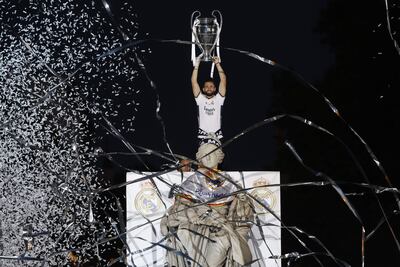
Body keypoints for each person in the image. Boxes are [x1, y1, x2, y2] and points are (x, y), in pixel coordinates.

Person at [161, 139, 254, 267]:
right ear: (200, 158)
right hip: (196, 225)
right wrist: (195, 214)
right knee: (184, 231)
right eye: (205, 154)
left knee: (221, 243)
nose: (208, 157)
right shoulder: (192, 181)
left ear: (219, 157)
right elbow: (181, 205)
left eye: (212, 153)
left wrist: (242, 200)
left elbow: (242, 211)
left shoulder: (230, 183)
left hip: (221, 229)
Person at [191, 56, 227, 142]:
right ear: (203, 89)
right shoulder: (200, 99)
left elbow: (223, 80)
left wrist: (217, 64)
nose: (209, 88)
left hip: (217, 137)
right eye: (206, 86)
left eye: (211, 86)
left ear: (215, 89)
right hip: (203, 136)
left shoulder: (219, 99)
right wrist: (197, 64)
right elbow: (193, 81)